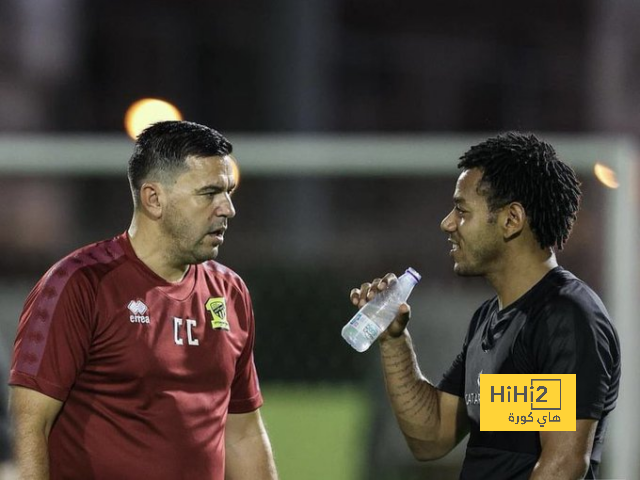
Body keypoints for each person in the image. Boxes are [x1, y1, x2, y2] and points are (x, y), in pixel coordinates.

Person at [8, 120, 278, 480]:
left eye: (228, 192)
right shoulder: (79, 284)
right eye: (209, 193)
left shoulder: (229, 294)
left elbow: (243, 434)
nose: (227, 208)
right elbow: (30, 425)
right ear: (154, 199)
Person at [350, 132, 621, 479]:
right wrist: (393, 339)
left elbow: (563, 465)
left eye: (462, 211)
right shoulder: (489, 319)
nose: (447, 223)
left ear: (511, 220)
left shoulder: (567, 316)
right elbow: (431, 437)